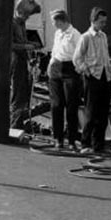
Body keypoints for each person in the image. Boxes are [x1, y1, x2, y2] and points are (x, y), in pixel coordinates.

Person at [73, 7, 111, 154]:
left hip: (105, 77)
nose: (103, 24)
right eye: (101, 22)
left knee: (103, 114)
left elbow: (105, 56)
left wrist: (110, 72)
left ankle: (99, 145)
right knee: (91, 112)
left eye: (105, 22)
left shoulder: (103, 36)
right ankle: (85, 144)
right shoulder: (86, 37)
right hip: (93, 78)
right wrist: (86, 70)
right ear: (93, 21)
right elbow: (77, 58)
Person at [47, 9, 82, 150]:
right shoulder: (57, 33)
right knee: (56, 105)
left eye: (54, 21)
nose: (53, 24)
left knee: (71, 106)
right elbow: (55, 51)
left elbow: (80, 53)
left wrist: (79, 69)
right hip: (56, 68)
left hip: (70, 69)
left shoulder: (75, 35)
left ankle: (72, 140)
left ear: (61, 21)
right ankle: (58, 139)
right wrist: (50, 65)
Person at [10, 0, 42, 129]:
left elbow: (22, 41)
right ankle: (14, 122)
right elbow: (10, 44)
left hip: (23, 60)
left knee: (24, 90)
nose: (27, 18)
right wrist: (26, 47)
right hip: (15, 60)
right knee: (17, 91)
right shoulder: (11, 24)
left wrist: (32, 44)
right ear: (20, 12)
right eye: (26, 15)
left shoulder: (21, 23)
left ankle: (19, 120)